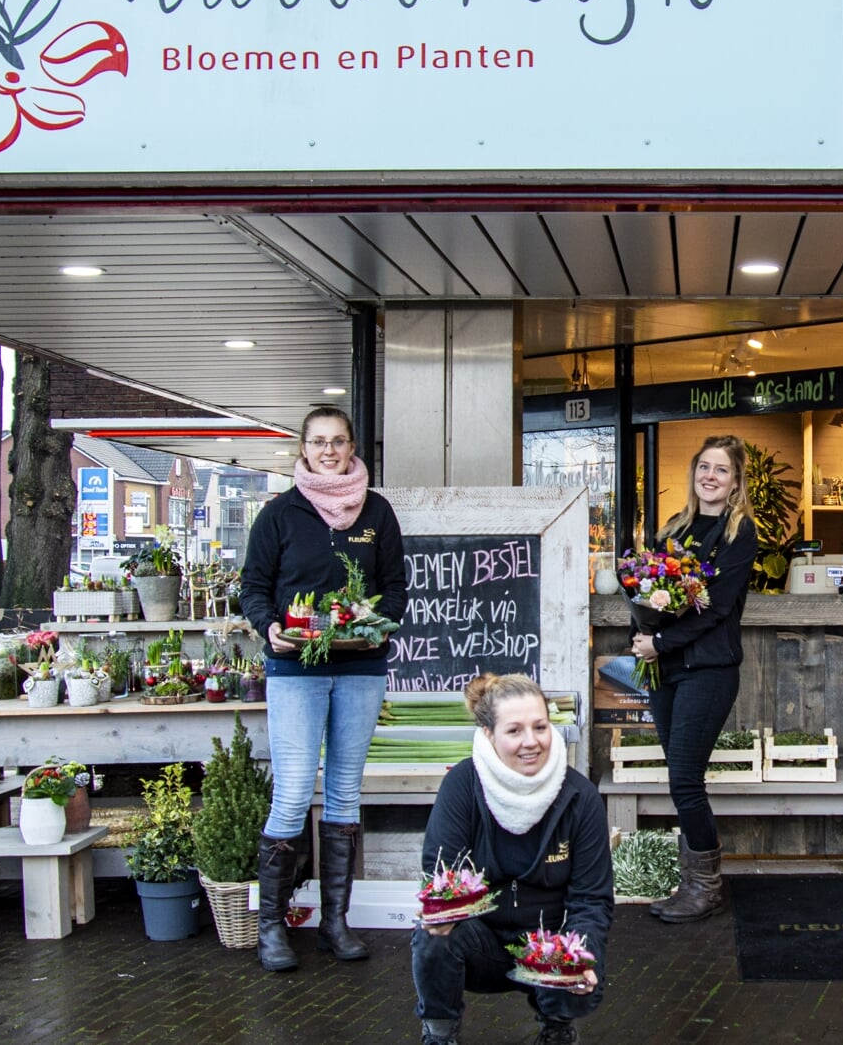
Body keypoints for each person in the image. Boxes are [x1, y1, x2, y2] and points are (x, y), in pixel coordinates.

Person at [239, 405, 408, 972]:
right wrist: (271, 628)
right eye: (318, 442)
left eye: (338, 441)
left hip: (361, 667)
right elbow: (254, 588)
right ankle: (272, 926)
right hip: (295, 670)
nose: (329, 451)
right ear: (303, 449)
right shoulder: (280, 514)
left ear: (353, 446)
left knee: (344, 793)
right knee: (291, 794)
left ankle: (335, 922)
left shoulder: (376, 512)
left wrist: (372, 622)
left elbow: (395, 591)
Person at [413, 673, 613, 1045]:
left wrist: (581, 950)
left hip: (551, 942)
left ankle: (557, 1026)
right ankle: (439, 1033)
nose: (531, 742)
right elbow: (441, 873)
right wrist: (444, 912)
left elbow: (592, 899)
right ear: (488, 734)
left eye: (540, 727)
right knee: (432, 938)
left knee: (582, 948)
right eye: (514, 731)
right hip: (482, 944)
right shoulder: (462, 785)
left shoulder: (580, 797)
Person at [626, 434, 758, 923]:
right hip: (664, 671)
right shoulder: (672, 529)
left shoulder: (739, 534)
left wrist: (659, 642)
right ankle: (695, 883)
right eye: (704, 466)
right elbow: (643, 588)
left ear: (736, 480)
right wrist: (641, 631)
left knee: (684, 779)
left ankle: (705, 887)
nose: (710, 476)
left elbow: (717, 609)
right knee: (680, 777)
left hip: (709, 669)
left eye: (721, 470)